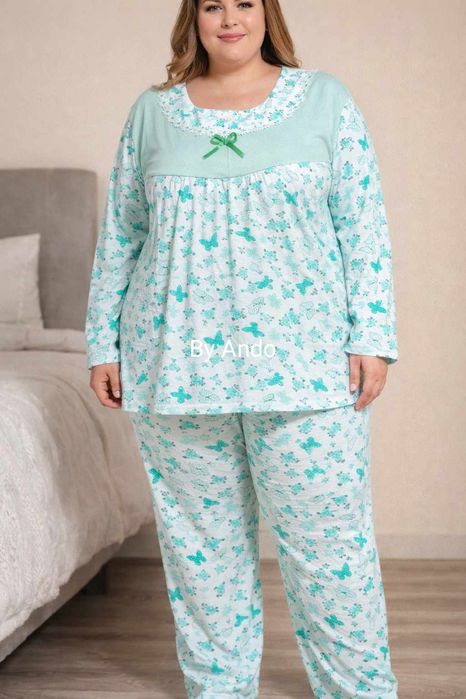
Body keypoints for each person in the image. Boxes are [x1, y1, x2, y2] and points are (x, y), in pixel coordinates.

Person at [85, 0, 400, 696]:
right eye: (213, 5)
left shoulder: (325, 100)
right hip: (174, 366)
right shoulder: (153, 113)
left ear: (267, 12)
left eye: (245, 2)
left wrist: (373, 335)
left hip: (305, 368)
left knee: (331, 552)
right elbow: (123, 233)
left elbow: (363, 224)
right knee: (202, 555)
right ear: (193, 18)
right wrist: (102, 341)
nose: (230, 18)